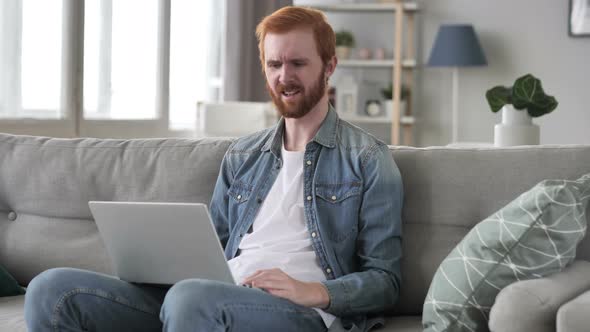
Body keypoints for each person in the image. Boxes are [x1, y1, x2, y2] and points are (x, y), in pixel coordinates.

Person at [24, 6, 403, 332]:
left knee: (192, 299)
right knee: (52, 289)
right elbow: (214, 249)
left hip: (302, 312)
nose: (284, 76)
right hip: (209, 297)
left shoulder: (368, 158)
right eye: (274, 64)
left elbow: (385, 280)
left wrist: (316, 292)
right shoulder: (242, 155)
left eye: (298, 63)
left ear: (329, 66)